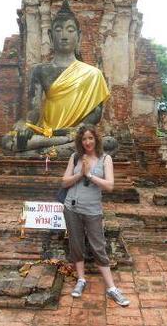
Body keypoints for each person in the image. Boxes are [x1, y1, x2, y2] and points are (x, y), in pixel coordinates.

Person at [3, 0, 110, 153]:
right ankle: (63, 144)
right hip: (47, 133)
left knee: (110, 143)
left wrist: (77, 131)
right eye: (58, 30)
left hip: (77, 134)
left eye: (70, 30)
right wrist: (26, 126)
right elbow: (34, 111)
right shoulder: (39, 70)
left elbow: (96, 114)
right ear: (50, 35)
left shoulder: (93, 74)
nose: (64, 35)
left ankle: (54, 147)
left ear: (79, 35)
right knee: (8, 140)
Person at [61, 124, 130, 307]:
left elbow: (109, 185)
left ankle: (112, 287)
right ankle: (81, 279)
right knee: (76, 244)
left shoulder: (105, 159)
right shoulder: (75, 157)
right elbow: (64, 181)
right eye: (84, 139)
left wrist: (89, 175)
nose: (87, 142)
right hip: (71, 208)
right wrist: (79, 175)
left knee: (98, 247)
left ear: (96, 139)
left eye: (90, 138)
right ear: (80, 141)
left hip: (92, 210)